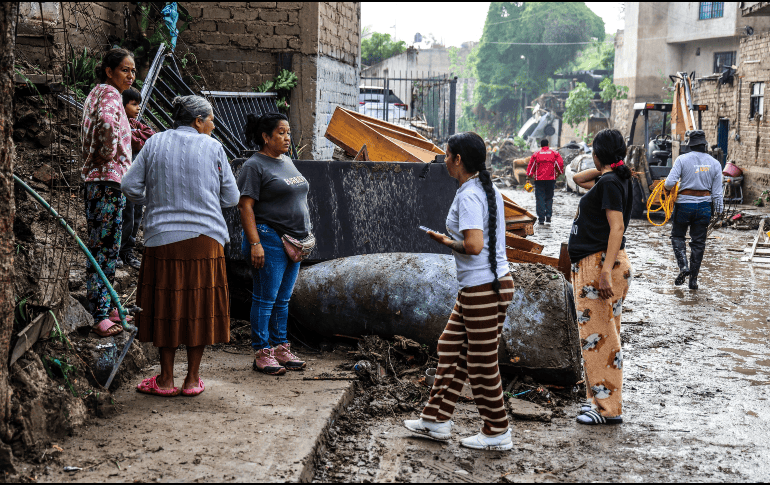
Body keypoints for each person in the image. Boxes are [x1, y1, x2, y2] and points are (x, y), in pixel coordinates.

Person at [403, 132, 516, 451]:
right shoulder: (485, 187)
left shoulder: (468, 194)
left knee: (481, 364)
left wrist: (445, 242)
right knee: (449, 346)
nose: (444, 161)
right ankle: (436, 419)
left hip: (483, 289)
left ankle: (497, 430)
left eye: (447, 155)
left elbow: (474, 245)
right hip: (485, 286)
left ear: (458, 160)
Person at [122, 95, 240, 397]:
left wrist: (159, 200)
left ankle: (164, 380)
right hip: (206, 239)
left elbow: (129, 186)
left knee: (167, 306)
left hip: (162, 238)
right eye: (211, 119)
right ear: (197, 121)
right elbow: (232, 198)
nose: (213, 125)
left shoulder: (154, 143)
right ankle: (191, 380)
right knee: (198, 307)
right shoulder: (213, 147)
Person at [237, 112, 311, 376]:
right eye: (280, 133)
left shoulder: (287, 161)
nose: (287, 138)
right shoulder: (254, 166)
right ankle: (262, 352)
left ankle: (280, 347)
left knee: (283, 299)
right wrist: (255, 243)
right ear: (265, 137)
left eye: (288, 132)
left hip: (294, 242)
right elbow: (245, 206)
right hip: (269, 239)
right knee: (265, 298)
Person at [569, 129, 634, 425]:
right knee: (604, 333)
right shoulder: (615, 178)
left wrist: (605, 271)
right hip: (603, 263)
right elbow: (578, 180)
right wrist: (606, 164)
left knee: (599, 340)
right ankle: (597, 401)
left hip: (599, 265)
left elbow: (616, 228)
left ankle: (607, 408)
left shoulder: (609, 181)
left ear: (597, 153)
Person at [81, 48, 135, 338]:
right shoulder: (111, 95)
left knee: (108, 245)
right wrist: (106, 156)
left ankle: (108, 302)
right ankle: (100, 312)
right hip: (107, 182)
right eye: (125, 69)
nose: (130, 75)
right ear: (109, 70)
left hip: (102, 181)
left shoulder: (98, 92)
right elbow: (105, 123)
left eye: (133, 70)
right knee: (104, 247)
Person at [663, 130, 723, 290]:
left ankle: (683, 266)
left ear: (690, 145)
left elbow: (669, 183)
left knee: (677, 236)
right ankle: (693, 281)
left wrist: (665, 188)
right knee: (698, 243)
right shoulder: (715, 163)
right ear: (704, 145)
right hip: (704, 206)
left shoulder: (682, 159)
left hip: (684, 205)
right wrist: (719, 212)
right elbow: (717, 193)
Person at [118, 89, 156, 270]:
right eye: (133, 104)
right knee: (126, 215)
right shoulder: (119, 124)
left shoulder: (134, 123)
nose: (138, 107)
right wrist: (138, 138)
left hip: (139, 182)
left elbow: (150, 135)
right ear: (122, 104)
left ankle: (127, 252)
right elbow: (132, 141)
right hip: (124, 179)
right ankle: (118, 251)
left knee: (136, 216)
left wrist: (138, 137)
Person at [526, 138, 564, 226]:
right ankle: (548, 216)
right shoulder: (554, 153)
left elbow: (531, 166)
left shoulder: (536, 154)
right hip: (551, 180)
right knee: (549, 198)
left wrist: (529, 177)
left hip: (539, 180)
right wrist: (559, 172)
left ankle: (541, 219)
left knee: (540, 198)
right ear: (548, 144)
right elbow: (560, 164)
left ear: (541, 145)